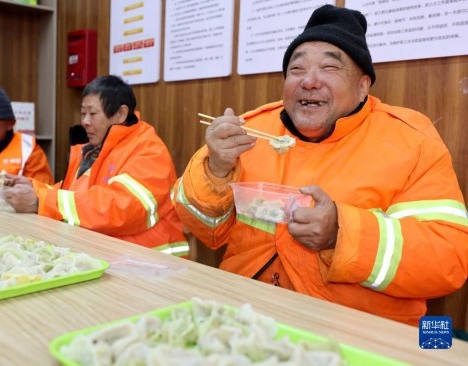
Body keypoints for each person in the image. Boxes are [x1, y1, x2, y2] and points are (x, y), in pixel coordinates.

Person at [172, 4, 468, 325]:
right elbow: (209, 233)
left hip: (352, 329)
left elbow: (447, 260)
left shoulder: (410, 140)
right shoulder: (250, 131)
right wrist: (215, 169)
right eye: (296, 69)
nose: (309, 81)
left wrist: (341, 233)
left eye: (329, 67)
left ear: (363, 86)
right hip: (244, 313)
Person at [4, 75, 189, 258]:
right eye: (83, 113)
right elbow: (75, 195)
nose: (85, 121)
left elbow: (120, 208)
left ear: (120, 114)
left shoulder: (149, 151)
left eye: (92, 114)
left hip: (151, 267)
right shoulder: (94, 149)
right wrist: (33, 188)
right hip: (110, 257)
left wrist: (41, 201)